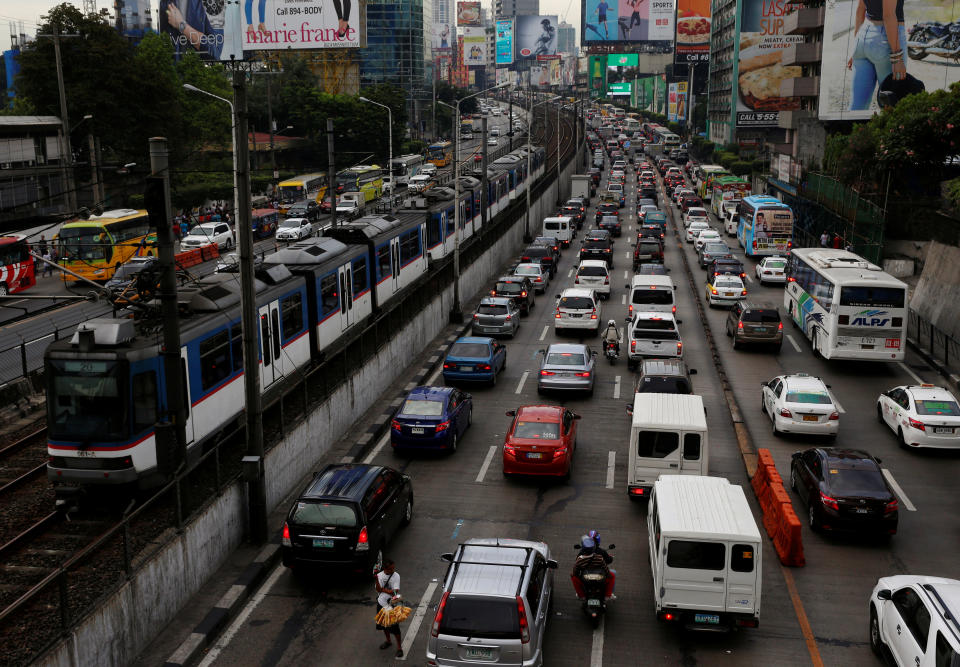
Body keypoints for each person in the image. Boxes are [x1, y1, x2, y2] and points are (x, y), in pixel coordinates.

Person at [846, 0, 907, 111]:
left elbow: (861, 9)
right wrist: (897, 57)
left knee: (857, 107)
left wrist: (854, 48)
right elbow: (888, 15)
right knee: (892, 106)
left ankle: (846, 128)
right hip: (885, 39)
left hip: (863, 37)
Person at [375, 560, 403, 657]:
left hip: (391, 605)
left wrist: (383, 589)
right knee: (383, 625)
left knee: (395, 628)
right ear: (385, 569)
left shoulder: (396, 576)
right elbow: (378, 589)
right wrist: (375, 579)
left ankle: (399, 648)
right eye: (391, 569)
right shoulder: (379, 576)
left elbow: (394, 592)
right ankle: (388, 641)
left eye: (393, 568)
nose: (393, 570)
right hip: (381, 604)